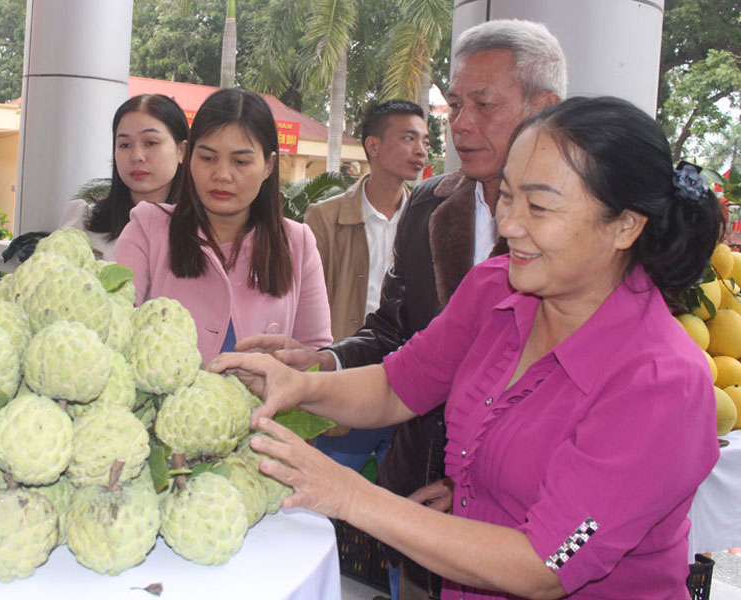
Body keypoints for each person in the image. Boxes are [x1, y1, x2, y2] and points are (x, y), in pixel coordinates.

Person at [213, 95, 723, 599]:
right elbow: (397, 386)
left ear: (626, 225)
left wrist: (349, 494)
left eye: (539, 206)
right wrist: (300, 384)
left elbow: (546, 564)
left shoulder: (661, 382)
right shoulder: (497, 287)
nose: (509, 224)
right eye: (507, 195)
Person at [238, 20, 567, 600]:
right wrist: (312, 371)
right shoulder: (451, 233)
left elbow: (554, 562)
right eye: (455, 105)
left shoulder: (655, 369)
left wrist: (353, 493)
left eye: (484, 105)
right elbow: (404, 367)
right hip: (425, 497)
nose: (460, 125)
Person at [114, 87, 332, 363]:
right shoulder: (147, 227)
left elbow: (318, 355)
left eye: (240, 161)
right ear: (188, 156)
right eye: (207, 158)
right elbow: (114, 322)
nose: (222, 175)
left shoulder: (297, 242)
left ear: (268, 166)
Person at [303, 99, 427, 504]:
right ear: (373, 145)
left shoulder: (432, 220)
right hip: (343, 387)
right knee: (316, 510)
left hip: (410, 393)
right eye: (408, 138)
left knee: (405, 525)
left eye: (424, 140)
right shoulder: (323, 219)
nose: (421, 151)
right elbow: (305, 311)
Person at [59, 94, 188, 260]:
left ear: (181, 151)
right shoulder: (83, 224)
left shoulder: (206, 230)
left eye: (150, 143)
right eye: (125, 145)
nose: (137, 156)